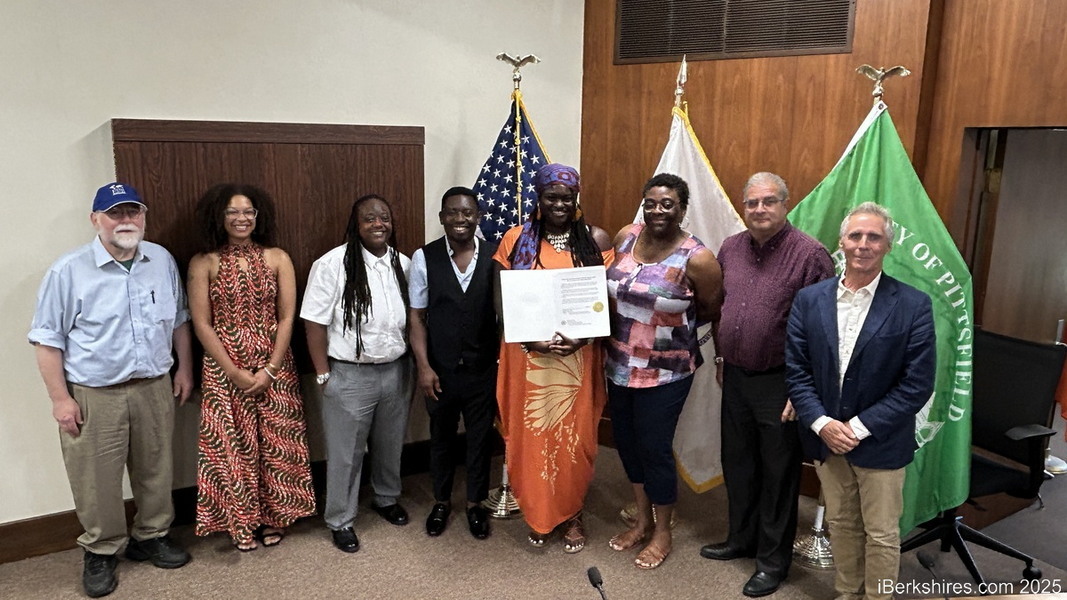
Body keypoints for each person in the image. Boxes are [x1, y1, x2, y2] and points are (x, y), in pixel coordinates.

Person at [28, 182, 193, 598]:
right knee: (96, 480)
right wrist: (60, 399)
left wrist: (184, 370)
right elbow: (47, 340)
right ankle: (101, 549)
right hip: (94, 394)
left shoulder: (161, 260)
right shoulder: (68, 271)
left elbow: (178, 320)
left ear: (143, 217)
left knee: (156, 468)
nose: (125, 220)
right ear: (95, 220)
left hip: (153, 386)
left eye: (133, 212)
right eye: (115, 213)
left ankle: (151, 536)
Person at [786, 202, 936, 600]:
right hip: (826, 438)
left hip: (881, 441)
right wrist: (822, 423)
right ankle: (847, 593)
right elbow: (797, 372)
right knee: (842, 524)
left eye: (874, 237)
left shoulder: (913, 305)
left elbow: (917, 384)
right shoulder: (809, 300)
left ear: (888, 245)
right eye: (855, 236)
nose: (863, 244)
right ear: (842, 243)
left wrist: (855, 428)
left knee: (882, 534)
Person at [701, 172, 835, 597]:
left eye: (769, 201)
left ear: (785, 204)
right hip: (736, 375)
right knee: (738, 463)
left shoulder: (810, 255)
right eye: (752, 202)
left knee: (778, 474)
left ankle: (772, 562)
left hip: (783, 383)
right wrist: (720, 356)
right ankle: (741, 539)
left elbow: (823, 331)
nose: (759, 209)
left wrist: (803, 389)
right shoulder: (730, 247)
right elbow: (720, 308)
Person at [187, 183, 316, 552]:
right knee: (234, 446)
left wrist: (271, 369)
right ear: (219, 216)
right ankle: (241, 521)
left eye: (248, 212)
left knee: (277, 444)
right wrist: (234, 372)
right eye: (233, 211)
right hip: (224, 368)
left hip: (275, 365)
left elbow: (288, 316)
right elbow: (201, 324)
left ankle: (276, 517)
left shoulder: (278, 258)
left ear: (258, 217)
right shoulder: (203, 262)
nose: (241, 218)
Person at [604, 173, 723, 570]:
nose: (658, 210)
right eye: (651, 203)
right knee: (627, 443)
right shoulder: (626, 236)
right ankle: (642, 520)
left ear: (682, 209)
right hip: (619, 364)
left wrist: (663, 330)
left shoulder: (698, 258)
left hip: (666, 371)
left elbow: (710, 308)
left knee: (654, 448)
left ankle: (663, 531)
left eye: (667, 204)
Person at [493, 163, 613, 553]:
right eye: (551, 197)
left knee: (575, 439)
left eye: (567, 197)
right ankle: (539, 513)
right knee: (530, 437)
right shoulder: (516, 239)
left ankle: (572, 512)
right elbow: (501, 299)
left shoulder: (594, 239)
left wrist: (581, 338)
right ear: (538, 198)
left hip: (577, 358)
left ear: (576, 197)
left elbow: (604, 301)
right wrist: (531, 339)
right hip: (527, 358)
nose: (559, 204)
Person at [301, 194, 413, 553]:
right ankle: (340, 519)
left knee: (390, 443)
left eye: (384, 217)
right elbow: (314, 323)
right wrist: (323, 375)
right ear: (356, 224)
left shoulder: (403, 263)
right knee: (346, 452)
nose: (378, 224)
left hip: (395, 370)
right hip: (349, 375)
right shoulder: (332, 264)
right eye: (369, 218)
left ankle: (386, 498)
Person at [408, 186, 498, 539]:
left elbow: (504, 313)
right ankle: (442, 502)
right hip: (440, 370)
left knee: (480, 439)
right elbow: (417, 317)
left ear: (478, 217)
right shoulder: (424, 257)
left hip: (482, 369)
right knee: (441, 438)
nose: (460, 219)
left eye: (468, 213)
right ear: (442, 217)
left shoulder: (495, 255)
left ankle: (476, 504)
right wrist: (424, 367)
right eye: (453, 212)